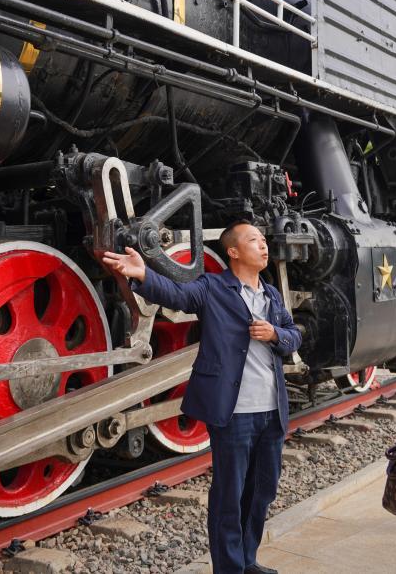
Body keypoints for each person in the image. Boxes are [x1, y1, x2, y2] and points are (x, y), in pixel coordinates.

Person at [103, 222, 301, 574]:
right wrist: (144, 274)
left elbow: (293, 335)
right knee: (229, 496)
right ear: (233, 251)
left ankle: (247, 560)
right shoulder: (213, 287)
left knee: (261, 492)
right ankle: (229, 568)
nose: (264, 245)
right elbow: (178, 295)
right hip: (235, 412)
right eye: (254, 240)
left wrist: (275, 335)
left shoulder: (271, 294)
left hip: (272, 411)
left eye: (263, 240)